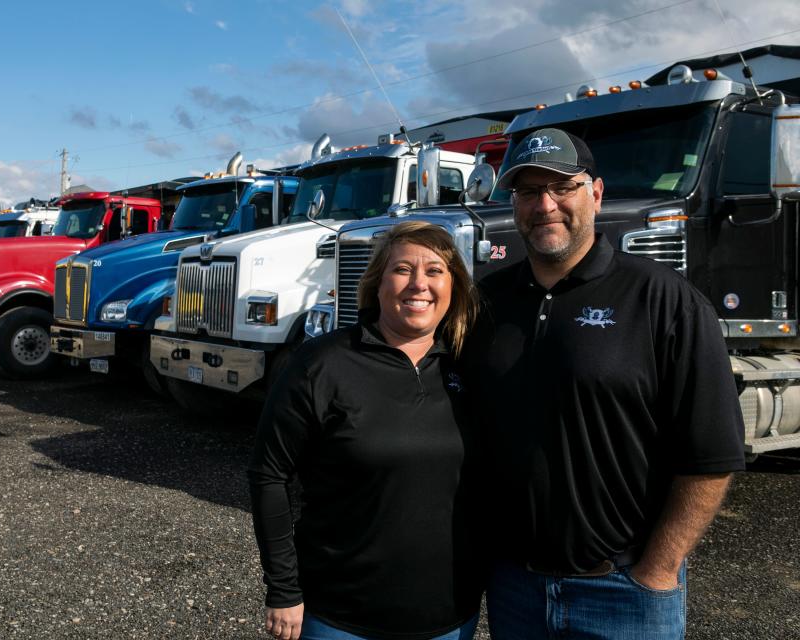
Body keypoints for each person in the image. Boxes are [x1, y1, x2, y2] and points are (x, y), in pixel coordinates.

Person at [472, 127, 746, 639]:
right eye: (528, 192)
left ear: (595, 194)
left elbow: (713, 453)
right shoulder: (489, 302)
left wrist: (658, 568)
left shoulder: (664, 300)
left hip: (624, 593)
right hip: (515, 590)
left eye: (562, 187)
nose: (545, 205)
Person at [248, 221, 483, 640]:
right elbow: (269, 474)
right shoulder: (323, 362)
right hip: (339, 618)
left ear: (455, 287)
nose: (418, 284)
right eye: (402, 270)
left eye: (434, 271)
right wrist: (284, 590)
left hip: (449, 619)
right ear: (377, 283)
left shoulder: (472, 368)